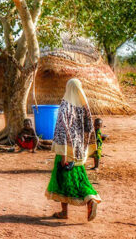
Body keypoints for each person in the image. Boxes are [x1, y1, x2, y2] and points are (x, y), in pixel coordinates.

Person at [46, 78, 101, 221]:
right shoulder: (84, 107)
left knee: (62, 181)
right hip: (78, 151)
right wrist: (85, 149)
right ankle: (91, 199)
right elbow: (89, 129)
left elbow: (62, 132)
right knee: (80, 179)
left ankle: (64, 212)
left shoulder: (65, 106)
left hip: (66, 152)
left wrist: (63, 156)